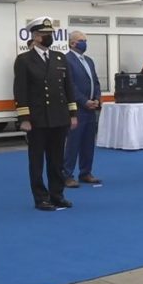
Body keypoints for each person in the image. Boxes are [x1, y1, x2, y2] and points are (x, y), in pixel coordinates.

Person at [13, 17, 78, 211]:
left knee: (57, 159)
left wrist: (72, 114)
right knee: (37, 161)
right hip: (37, 119)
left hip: (59, 118)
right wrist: (24, 118)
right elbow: (20, 90)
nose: (49, 37)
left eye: (50, 34)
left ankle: (57, 194)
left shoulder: (59, 58)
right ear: (36, 36)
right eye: (45, 35)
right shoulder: (24, 60)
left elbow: (68, 88)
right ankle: (41, 197)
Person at [63, 31, 102, 188]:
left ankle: (86, 172)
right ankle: (67, 175)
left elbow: (96, 82)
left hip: (91, 108)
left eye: (85, 40)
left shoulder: (89, 61)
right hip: (77, 108)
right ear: (72, 43)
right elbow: (70, 86)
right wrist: (84, 101)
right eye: (81, 41)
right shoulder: (66, 60)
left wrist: (98, 98)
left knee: (88, 142)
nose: (84, 43)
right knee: (73, 142)